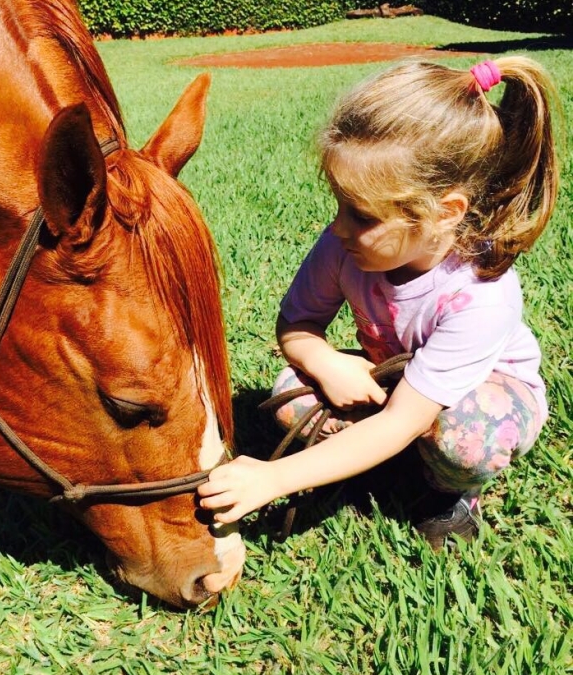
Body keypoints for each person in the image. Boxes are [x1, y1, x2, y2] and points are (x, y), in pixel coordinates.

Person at [199, 57, 559, 549]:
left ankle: (448, 493)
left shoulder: (481, 294)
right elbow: (297, 324)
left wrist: (274, 478)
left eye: (362, 215)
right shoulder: (343, 247)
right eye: (338, 204)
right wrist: (324, 361)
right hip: (392, 380)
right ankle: (383, 461)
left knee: (464, 434)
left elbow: (402, 419)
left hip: (478, 399)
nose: (339, 228)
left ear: (444, 212)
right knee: (292, 389)